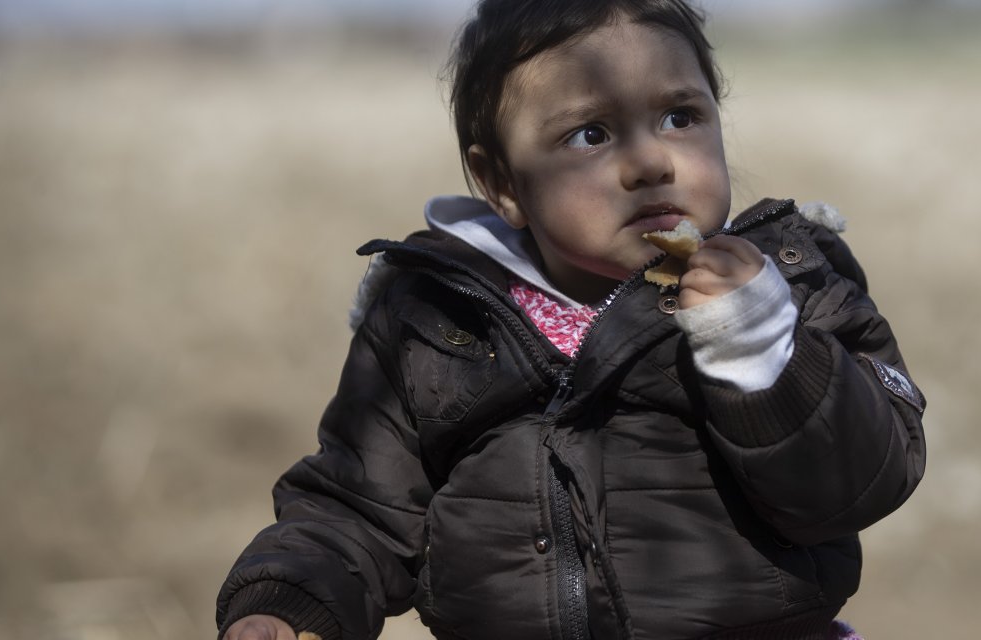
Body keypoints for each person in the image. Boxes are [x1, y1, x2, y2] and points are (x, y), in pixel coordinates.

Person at [216, 1, 926, 638]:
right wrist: (292, 602)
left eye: (680, 117)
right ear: (502, 184)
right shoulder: (437, 317)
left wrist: (764, 351)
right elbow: (360, 506)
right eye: (590, 134)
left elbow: (860, 484)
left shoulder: (787, 285)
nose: (650, 162)